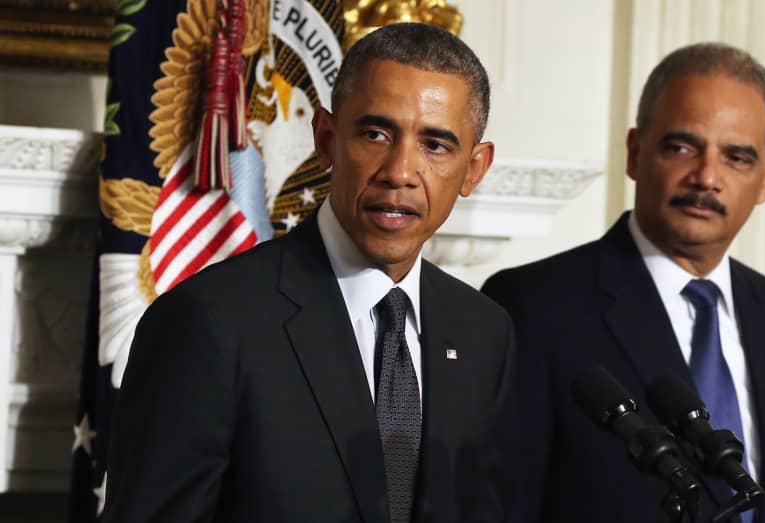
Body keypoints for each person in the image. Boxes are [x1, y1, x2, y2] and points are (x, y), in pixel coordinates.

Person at [103, 23, 515, 523]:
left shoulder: (485, 333)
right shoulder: (208, 321)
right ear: (325, 140)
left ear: (474, 168)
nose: (400, 171)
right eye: (376, 134)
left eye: (435, 145)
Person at [482, 42, 765, 522]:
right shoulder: (534, 306)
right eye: (682, 147)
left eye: (737, 157)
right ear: (636, 153)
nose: (707, 177)